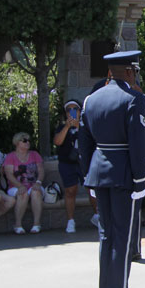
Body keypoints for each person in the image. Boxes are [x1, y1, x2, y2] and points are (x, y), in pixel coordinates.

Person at [79, 49, 145, 288]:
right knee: (121, 239)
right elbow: (137, 143)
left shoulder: (91, 100)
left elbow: (85, 145)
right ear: (130, 71)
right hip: (123, 177)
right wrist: (140, 179)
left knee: (106, 238)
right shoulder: (135, 99)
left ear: (110, 72)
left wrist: (89, 176)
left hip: (99, 173)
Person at [54, 99, 100, 233]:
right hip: (67, 163)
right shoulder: (61, 126)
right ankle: (70, 221)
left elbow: (92, 140)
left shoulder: (86, 125)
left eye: (75, 109)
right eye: (69, 110)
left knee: (91, 190)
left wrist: (79, 127)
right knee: (70, 191)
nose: (72, 112)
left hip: (84, 162)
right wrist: (67, 127)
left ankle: (97, 216)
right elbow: (57, 141)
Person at [3, 132, 45, 234]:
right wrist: (20, 186)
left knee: (36, 192)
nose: (28, 143)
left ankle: (36, 224)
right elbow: (9, 174)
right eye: (24, 140)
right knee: (23, 193)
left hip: (34, 184)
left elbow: (41, 171)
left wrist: (38, 182)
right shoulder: (10, 157)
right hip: (15, 186)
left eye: (29, 141)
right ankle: (18, 224)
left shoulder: (35, 155)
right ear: (17, 143)